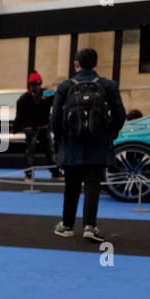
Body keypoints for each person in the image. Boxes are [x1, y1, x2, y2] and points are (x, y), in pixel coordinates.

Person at [51, 47, 126, 242]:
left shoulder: (65, 86)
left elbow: (55, 118)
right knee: (93, 185)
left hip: (72, 142)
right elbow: (120, 115)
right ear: (96, 63)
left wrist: (61, 139)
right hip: (98, 142)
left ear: (76, 64)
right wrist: (111, 134)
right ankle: (89, 226)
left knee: (71, 185)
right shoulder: (108, 85)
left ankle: (66, 225)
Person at [14, 72, 61, 181]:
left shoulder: (46, 93)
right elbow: (19, 115)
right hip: (30, 129)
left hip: (44, 127)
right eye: (35, 84)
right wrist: (15, 128)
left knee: (50, 151)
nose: (38, 86)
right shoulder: (23, 99)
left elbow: (58, 95)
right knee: (29, 153)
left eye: (39, 84)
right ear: (30, 85)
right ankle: (28, 174)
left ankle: (55, 172)